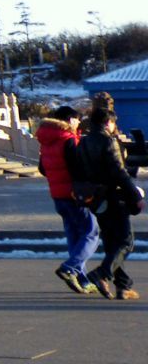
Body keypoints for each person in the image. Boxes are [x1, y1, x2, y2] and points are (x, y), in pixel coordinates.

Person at [77, 95, 141, 300]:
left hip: (95, 198)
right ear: (108, 122)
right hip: (114, 196)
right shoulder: (108, 141)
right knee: (126, 241)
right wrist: (134, 194)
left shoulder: (83, 143)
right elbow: (118, 171)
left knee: (113, 242)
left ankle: (123, 285)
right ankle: (101, 274)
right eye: (114, 122)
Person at [36, 104, 100, 294]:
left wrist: (57, 180)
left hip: (57, 195)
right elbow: (78, 167)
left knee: (74, 235)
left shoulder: (46, 140)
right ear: (69, 120)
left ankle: (82, 278)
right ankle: (70, 268)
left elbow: (42, 168)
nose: (79, 122)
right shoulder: (68, 139)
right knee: (91, 232)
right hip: (74, 195)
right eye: (77, 118)